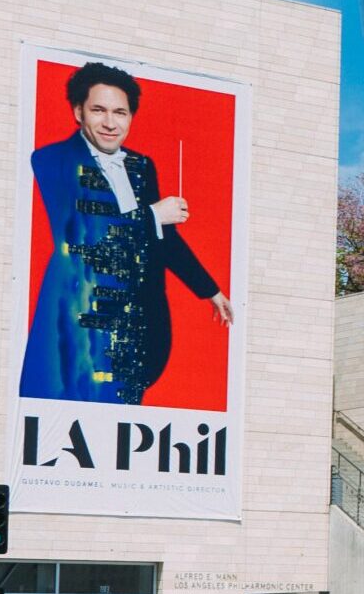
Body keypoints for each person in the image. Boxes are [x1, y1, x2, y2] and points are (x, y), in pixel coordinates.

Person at [23, 61, 233, 406]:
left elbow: (162, 240)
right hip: (80, 322)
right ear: (78, 112)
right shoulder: (50, 160)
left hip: (138, 326)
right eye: (98, 110)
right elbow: (79, 233)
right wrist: (153, 215)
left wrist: (209, 289)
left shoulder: (140, 165)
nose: (110, 122)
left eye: (120, 112)